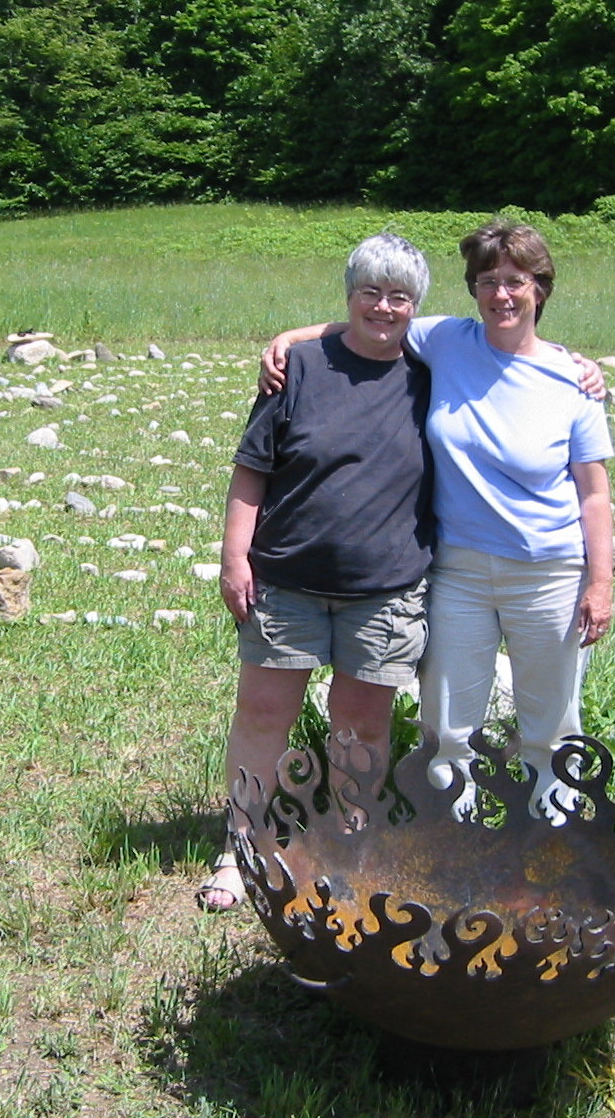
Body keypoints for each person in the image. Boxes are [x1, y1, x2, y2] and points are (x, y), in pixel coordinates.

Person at [259, 220, 615, 822]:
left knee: (552, 726)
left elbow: (595, 496)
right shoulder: (447, 340)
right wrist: (287, 338)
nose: (501, 295)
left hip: (550, 572)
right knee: (447, 724)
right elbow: (372, 319)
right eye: (487, 282)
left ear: (540, 289)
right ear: (473, 290)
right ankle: (457, 837)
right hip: (458, 570)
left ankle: (555, 842)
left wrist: (600, 582)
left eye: (515, 282)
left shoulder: (571, 380)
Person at [195, 233, 436, 912]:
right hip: (287, 579)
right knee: (264, 711)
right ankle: (242, 846)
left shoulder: (431, 370)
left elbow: (509, 338)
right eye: (370, 292)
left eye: (398, 296)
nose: (383, 308)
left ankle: (348, 845)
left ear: (415, 306)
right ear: (348, 295)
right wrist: (234, 555)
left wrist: (579, 366)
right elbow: (253, 467)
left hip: (385, 589)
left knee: (361, 722)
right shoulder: (296, 367)